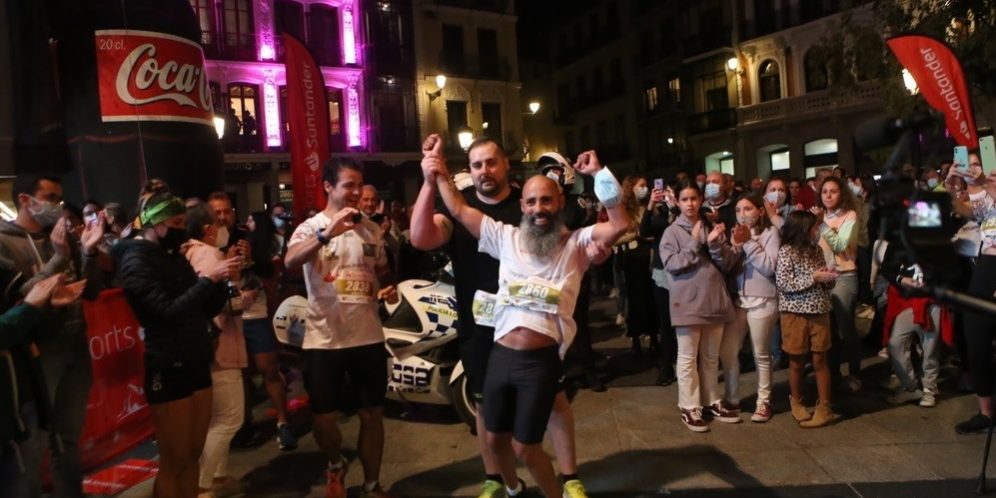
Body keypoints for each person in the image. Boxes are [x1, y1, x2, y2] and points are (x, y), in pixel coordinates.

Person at [421, 140, 629, 498]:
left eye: (546, 200)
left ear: (560, 202)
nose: (539, 209)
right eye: (531, 202)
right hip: (499, 356)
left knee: (525, 447)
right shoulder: (505, 238)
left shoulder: (577, 243)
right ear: (522, 206)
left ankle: (559, 489)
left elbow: (621, 222)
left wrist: (599, 173)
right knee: (494, 436)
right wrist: (435, 169)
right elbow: (456, 207)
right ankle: (513, 490)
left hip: (540, 362)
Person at [284, 158, 398, 498]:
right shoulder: (310, 227)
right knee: (325, 418)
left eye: (359, 185)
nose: (355, 191)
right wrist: (325, 234)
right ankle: (335, 463)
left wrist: (385, 287)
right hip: (323, 339)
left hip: (367, 337)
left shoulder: (372, 229)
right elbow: (290, 262)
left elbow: (380, 271)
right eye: (348, 184)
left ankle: (372, 484)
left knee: (372, 414)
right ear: (328, 187)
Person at [112, 193, 238, 498]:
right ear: (155, 222)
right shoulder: (135, 258)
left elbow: (202, 309)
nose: (183, 229)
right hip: (168, 362)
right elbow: (165, 313)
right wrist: (208, 280)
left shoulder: (173, 256)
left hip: (195, 356)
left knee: (193, 454)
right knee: (174, 460)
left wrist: (221, 282)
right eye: (176, 223)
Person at [0, 174, 105, 498]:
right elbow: (21, 298)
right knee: (32, 446)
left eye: (59, 198)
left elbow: (92, 290)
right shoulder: (5, 242)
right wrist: (59, 257)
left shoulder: (62, 237)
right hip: (37, 356)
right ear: (25, 200)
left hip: (75, 346)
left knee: (68, 440)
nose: (56, 206)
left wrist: (87, 252)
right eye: (49, 197)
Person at [659, 182, 738, 432]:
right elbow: (672, 264)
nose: (690, 204)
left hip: (714, 298)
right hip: (688, 301)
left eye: (694, 198)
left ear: (701, 199)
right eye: (685, 199)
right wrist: (694, 242)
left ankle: (711, 400)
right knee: (687, 357)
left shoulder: (711, 226)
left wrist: (719, 242)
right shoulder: (672, 232)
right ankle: (689, 405)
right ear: (678, 202)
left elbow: (725, 263)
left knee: (710, 356)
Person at [0, 273, 85, 498]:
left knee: (26, 482)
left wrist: (48, 307)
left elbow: (27, 329)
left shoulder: (5, 271)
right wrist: (29, 307)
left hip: (20, 398)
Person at [185, 203, 250, 498]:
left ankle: (219, 478)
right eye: (217, 220)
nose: (223, 223)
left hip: (202, 344)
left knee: (216, 418)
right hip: (219, 342)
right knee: (230, 418)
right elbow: (216, 299)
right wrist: (244, 298)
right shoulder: (207, 253)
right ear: (208, 228)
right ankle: (203, 486)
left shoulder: (188, 252)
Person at [538, 152, 607, 393]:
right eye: (546, 170)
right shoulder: (540, 203)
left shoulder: (575, 202)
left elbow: (567, 228)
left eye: (555, 169)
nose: (550, 174)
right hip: (547, 276)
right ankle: (560, 373)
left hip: (574, 275)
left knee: (579, 325)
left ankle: (590, 372)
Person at [717, 194, 780, 422]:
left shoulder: (770, 233)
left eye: (748, 208)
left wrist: (749, 244)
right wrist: (733, 246)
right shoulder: (737, 232)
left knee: (760, 353)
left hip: (763, 298)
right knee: (727, 350)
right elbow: (728, 265)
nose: (742, 213)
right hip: (739, 300)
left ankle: (764, 402)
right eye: (738, 209)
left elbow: (770, 268)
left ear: (760, 211)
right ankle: (732, 398)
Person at [776, 211, 838, 428]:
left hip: (819, 310)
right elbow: (785, 284)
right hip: (794, 314)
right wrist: (813, 278)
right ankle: (796, 402)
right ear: (802, 230)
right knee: (796, 361)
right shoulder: (786, 251)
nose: (816, 232)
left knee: (821, 360)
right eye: (813, 228)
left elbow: (826, 284)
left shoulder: (817, 250)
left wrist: (828, 278)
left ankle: (824, 407)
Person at [950, 153, 996, 434]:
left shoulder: (990, 184)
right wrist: (954, 188)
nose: (972, 168)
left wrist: (982, 182)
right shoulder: (982, 194)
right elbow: (968, 212)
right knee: (976, 335)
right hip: (987, 262)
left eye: (976, 162)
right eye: (968, 163)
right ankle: (986, 412)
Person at [243, 211, 297, 450]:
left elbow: (267, 273)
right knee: (240, 376)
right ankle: (245, 424)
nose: (223, 218)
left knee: (269, 369)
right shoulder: (203, 247)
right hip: (228, 320)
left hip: (257, 314)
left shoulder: (251, 243)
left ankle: (283, 423)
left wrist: (249, 259)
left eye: (227, 211)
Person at [879, 240, 949, 408]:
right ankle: (910, 387)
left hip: (932, 301)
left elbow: (950, 272)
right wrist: (901, 279)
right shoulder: (898, 242)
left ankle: (929, 389)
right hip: (907, 301)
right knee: (896, 344)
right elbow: (887, 268)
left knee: (930, 348)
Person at [813, 176, 862, 391]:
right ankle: (832, 371)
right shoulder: (818, 218)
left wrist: (822, 224)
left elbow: (841, 244)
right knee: (828, 329)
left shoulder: (849, 216)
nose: (829, 195)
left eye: (833, 191)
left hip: (843, 276)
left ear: (841, 193)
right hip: (824, 278)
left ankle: (854, 372)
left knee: (845, 327)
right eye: (825, 192)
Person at [641, 181, 678, 385]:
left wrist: (676, 206)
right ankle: (666, 367)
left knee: (684, 321)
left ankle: (684, 363)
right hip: (662, 272)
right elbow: (644, 230)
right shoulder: (660, 216)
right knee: (665, 322)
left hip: (683, 272)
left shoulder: (681, 213)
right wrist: (650, 205)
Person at [618, 175, 658, 356]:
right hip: (633, 258)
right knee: (635, 299)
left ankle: (654, 336)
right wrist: (636, 235)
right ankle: (635, 338)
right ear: (631, 188)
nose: (645, 189)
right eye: (641, 185)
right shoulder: (624, 209)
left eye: (646, 185)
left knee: (651, 298)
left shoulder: (651, 206)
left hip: (649, 256)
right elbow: (616, 237)